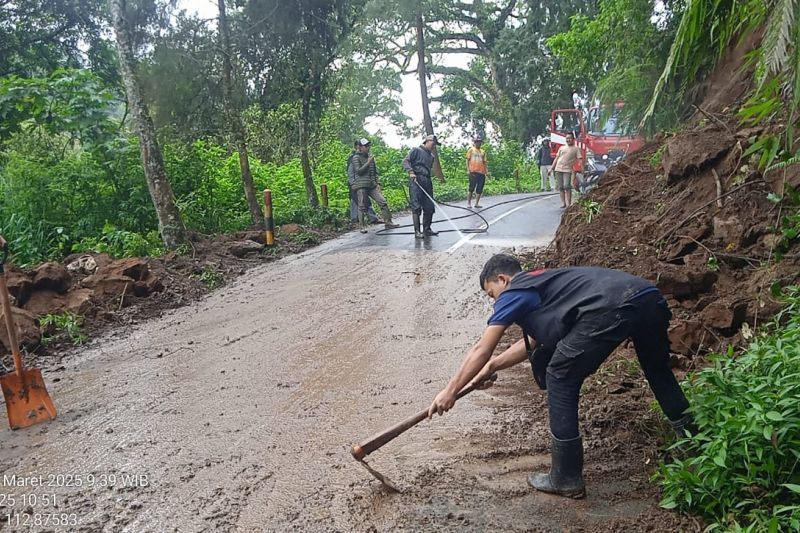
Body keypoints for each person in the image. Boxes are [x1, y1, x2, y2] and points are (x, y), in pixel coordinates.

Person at [427, 254, 693, 499]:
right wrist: (493, 366)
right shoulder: (544, 284)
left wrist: (450, 390)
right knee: (657, 370)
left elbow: (481, 347)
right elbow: (531, 341)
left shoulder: (516, 289)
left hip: (611, 306)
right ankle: (694, 443)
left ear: (503, 279)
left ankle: (565, 477)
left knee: (560, 375)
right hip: (646, 296)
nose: (495, 301)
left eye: (491, 293)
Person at [351, 138, 399, 233]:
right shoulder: (355, 158)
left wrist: (377, 183)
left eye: (368, 146)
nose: (368, 148)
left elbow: (375, 172)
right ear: (360, 147)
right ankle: (362, 227)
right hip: (361, 185)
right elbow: (359, 171)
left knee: (383, 202)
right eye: (365, 146)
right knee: (362, 206)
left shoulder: (370, 157)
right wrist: (368, 162)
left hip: (371, 185)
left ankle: (388, 222)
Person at [403, 134, 445, 239]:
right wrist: (411, 172)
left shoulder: (431, 156)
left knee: (429, 206)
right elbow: (406, 161)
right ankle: (417, 231)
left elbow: (429, 169)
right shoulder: (416, 150)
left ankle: (427, 229)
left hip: (427, 180)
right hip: (416, 180)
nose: (434, 146)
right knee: (416, 206)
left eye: (435, 144)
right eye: (433, 143)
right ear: (427, 141)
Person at [347, 141, 380, 224]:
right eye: (359, 146)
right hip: (356, 184)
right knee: (355, 200)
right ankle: (355, 219)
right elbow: (351, 173)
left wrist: (376, 182)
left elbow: (373, 170)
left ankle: (373, 218)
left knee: (366, 201)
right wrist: (353, 184)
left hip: (367, 183)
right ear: (356, 147)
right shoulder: (353, 158)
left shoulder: (367, 156)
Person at [549, 133, 583, 208]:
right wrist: (551, 168)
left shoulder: (576, 148)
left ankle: (569, 204)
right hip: (558, 168)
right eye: (567, 138)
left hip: (567, 170)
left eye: (570, 138)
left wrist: (582, 169)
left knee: (567, 186)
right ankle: (563, 203)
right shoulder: (562, 148)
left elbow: (580, 159)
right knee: (561, 187)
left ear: (573, 139)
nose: (568, 140)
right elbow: (556, 158)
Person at [465, 135, 489, 209]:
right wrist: (468, 169)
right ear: (475, 143)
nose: (479, 143)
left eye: (480, 142)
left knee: (480, 188)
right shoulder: (471, 150)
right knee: (471, 187)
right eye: (477, 142)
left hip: (481, 172)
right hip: (473, 171)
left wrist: (486, 172)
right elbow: (467, 160)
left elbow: (484, 162)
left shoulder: (483, 152)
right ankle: (469, 203)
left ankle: (477, 203)